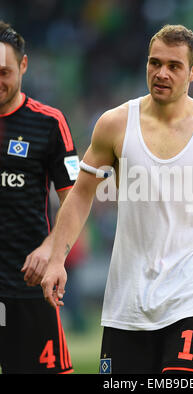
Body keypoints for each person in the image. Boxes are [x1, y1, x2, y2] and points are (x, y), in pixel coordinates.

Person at [42, 24, 193, 374]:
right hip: (127, 302)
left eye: (174, 65)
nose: (161, 73)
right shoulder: (114, 124)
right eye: (154, 63)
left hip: (192, 297)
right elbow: (80, 195)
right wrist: (56, 258)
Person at [0, 21, 79, 374]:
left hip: (28, 287)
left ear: (24, 66)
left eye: (4, 72)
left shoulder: (49, 123)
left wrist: (50, 249)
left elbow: (76, 199)